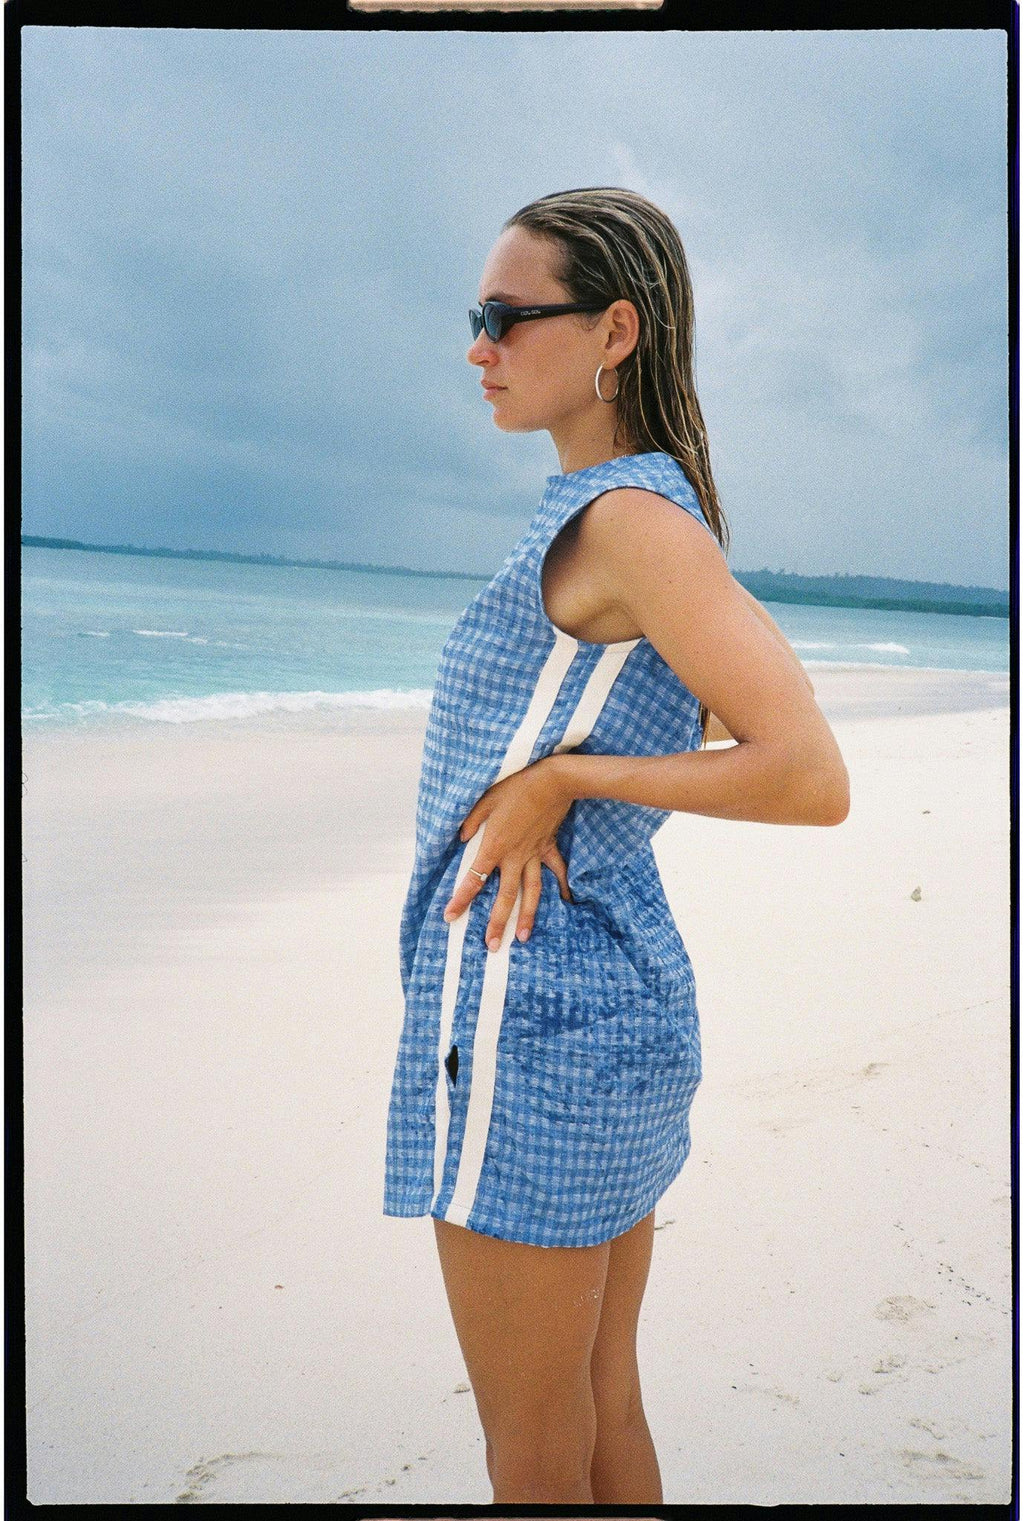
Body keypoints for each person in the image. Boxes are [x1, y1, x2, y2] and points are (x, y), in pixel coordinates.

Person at [383, 186, 849, 1504]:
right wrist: (569, 782)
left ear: (615, 331)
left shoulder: (628, 523)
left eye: (505, 316)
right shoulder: (645, 512)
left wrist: (566, 779)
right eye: (476, 316)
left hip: (529, 1010)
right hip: (605, 1001)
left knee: (533, 1451)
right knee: (598, 1409)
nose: (477, 346)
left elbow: (808, 773)